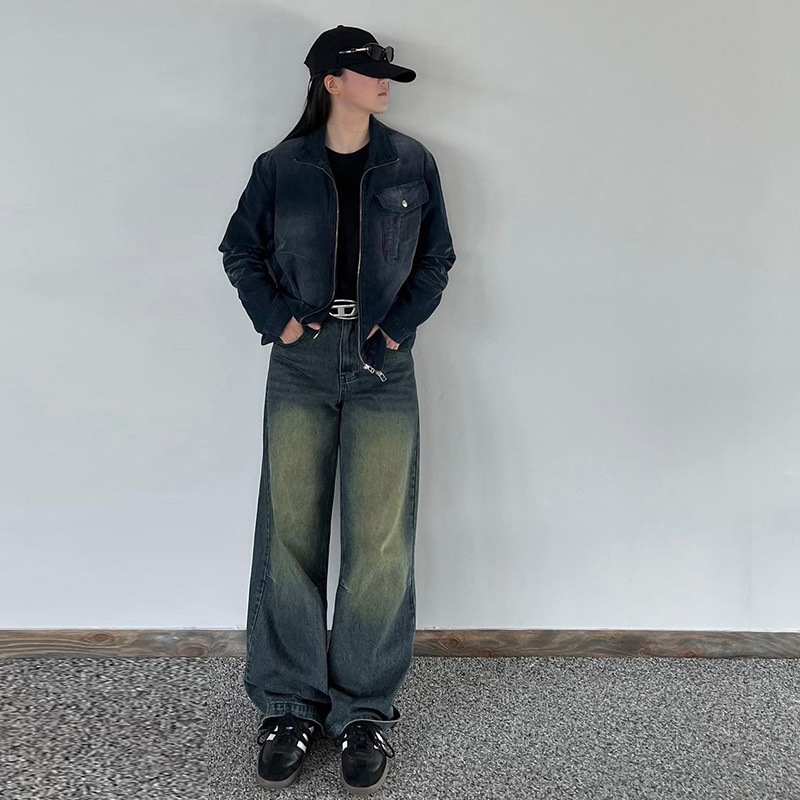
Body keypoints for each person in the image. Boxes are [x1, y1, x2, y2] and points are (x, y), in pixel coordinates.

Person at [218, 24, 456, 795]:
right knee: (289, 531)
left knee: (380, 540)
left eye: (387, 74)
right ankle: (288, 706)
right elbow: (239, 249)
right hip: (302, 363)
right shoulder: (280, 167)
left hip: (384, 365)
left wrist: (396, 330)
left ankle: (365, 712)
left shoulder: (411, 161)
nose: (385, 84)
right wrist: (281, 322)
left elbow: (436, 258)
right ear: (330, 81)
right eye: (371, 73)